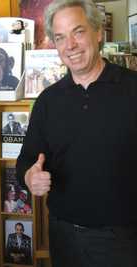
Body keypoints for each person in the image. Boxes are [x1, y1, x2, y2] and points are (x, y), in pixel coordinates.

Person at [16, 0, 137, 267]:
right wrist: (29, 177)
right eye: (60, 37)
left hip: (123, 238)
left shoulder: (132, 88)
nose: (69, 45)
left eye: (78, 32)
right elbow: (25, 160)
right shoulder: (47, 100)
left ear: (98, 32)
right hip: (63, 236)